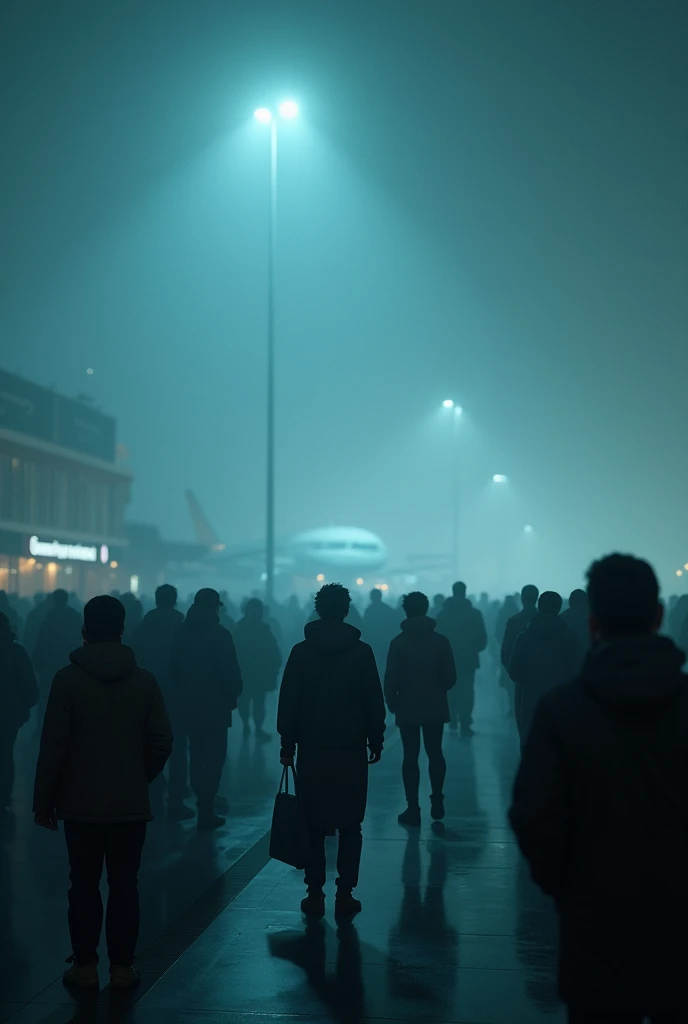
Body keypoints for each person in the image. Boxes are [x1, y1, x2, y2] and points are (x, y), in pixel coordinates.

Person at [510, 554, 688, 1023]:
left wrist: (569, 886)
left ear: (593, 623)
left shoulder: (563, 711)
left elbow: (534, 815)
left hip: (595, 921)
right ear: (658, 616)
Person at [33, 595, 172, 991]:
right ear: (122, 630)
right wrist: (136, 775)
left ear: (85, 631)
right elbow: (162, 740)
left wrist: (44, 802)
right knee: (126, 884)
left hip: (80, 804)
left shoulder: (67, 680)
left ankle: (86, 965)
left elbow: (53, 748)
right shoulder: (144, 680)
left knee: (83, 884)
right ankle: (123, 968)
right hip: (129, 804)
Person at [277, 583, 385, 917]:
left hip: (312, 748)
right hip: (350, 749)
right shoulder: (361, 652)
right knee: (351, 823)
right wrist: (376, 738)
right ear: (346, 609)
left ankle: (314, 892)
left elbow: (289, 702)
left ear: (318, 609)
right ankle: (346, 892)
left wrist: (287, 744)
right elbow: (372, 701)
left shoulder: (301, 652)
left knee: (313, 822)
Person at [169, 588, 242, 828]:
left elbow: (174, 670)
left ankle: (203, 802)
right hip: (215, 707)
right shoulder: (221, 635)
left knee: (196, 756)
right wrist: (233, 695)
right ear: (215, 607)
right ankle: (206, 807)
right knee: (214, 759)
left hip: (187, 705)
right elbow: (230, 672)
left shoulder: (180, 633)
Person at [384, 591, 456, 826]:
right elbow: (450, 677)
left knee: (410, 756)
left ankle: (413, 807)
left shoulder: (398, 642)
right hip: (435, 703)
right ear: (426, 609)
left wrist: (391, 701)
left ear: (406, 611)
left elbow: (391, 678)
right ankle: (437, 798)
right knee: (435, 752)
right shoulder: (441, 641)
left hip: (408, 705)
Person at [508, 591, 581, 746]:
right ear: (559, 608)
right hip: (562, 701)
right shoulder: (571, 637)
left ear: (539, 606)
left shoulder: (524, 637)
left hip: (530, 701)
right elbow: (577, 672)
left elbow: (514, 672)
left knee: (530, 746)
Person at [436, 582, 487, 736]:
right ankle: (465, 721)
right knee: (467, 690)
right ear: (465, 592)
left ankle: (451, 718)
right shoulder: (474, 614)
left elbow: (437, 637)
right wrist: (473, 649)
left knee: (450, 689)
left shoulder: (442, 614)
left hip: (447, 659)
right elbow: (482, 639)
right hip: (468, 659)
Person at [0, 612, 38, 818]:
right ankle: (3, 796)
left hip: (9, 713)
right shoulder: (17, 652)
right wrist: (24, 707)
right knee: (5, 755)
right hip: (9, 715)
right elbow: (30, 687)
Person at [234, 598, 281, 740]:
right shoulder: (263, 628)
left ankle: (247, 726)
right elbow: (273, 650)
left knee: (246, 701)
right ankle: (256, 728)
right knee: (257, 702)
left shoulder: (239, 627)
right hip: (258, 672)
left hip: (246, 672)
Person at [34, 590, 83, 719]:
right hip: (71, 663)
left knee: (47, 698)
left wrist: (37, 664)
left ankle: (43, 726)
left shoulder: (47, 619)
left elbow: (40, 643)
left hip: (49, 665)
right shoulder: (75, 618)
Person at [132, 584, 184, 698]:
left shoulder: (148, 620)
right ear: (174, 600)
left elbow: (138, 647)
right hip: (174, 677)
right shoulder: (180, 622)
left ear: (157, 599)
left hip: (149, 673)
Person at [500, 584, 539, 673]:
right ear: (536, 599)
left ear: (522, 599)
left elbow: (507, 647)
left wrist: (508, 666)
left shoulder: (514, 621)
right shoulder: (544, 621)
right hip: (541, 671)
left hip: (518, 669)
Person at [363, 587, 400, 673]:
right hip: (386, 640)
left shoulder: (369, 610)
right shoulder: (388, 609)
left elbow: (365, 626)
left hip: (373, 641)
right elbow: (394, 626)